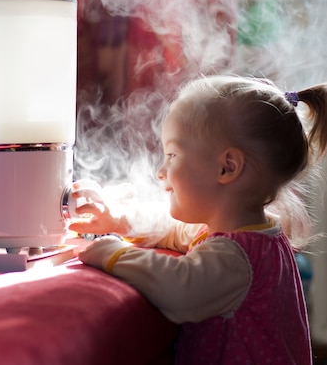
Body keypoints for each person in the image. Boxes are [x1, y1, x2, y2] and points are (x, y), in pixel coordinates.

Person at [69, 74, 327, 364]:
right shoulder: (250, 232)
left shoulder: (235, 258)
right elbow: (174, 230)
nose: (160, 171)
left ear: (227, 167)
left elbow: (179, 288)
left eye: (172, 154)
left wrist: (113, 254)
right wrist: (119, 219)